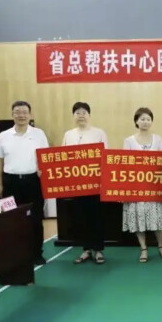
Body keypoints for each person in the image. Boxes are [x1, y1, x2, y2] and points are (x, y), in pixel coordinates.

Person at [0, 101, 49, 265]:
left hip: (33, 182)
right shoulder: (4, 136)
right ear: (12, 115)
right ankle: (14, 254)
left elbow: (46, 156)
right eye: (17, 112)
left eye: (24, 112)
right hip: (10, 183)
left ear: (30, 115)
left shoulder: (39, 134)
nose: (21, 115)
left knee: (35, 219)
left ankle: (36, 253)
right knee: (11, 219)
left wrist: (43, 172)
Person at [63, 102, 109, 265]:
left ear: (89, 115)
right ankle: (86, 249)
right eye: (77, 112)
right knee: (80, 217)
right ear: (73, 116)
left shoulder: (99, 133)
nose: (81, 115)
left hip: (95, 183)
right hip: (77, 184)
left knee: (96, 216)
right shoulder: (68, 134)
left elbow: (105, 156)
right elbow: (63, 157)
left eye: (84, 112)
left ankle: (98, 250)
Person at [122, 107, 162, 263]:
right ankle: (143, 248)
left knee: (158, 218)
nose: (145, 122)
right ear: (136, 121)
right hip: (136, 188)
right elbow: (124, 165)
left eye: (148, 119)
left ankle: (161, 246)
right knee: (139, 218)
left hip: (154, 186)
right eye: (142, 119)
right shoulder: (129, 141)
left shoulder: (157, 139)